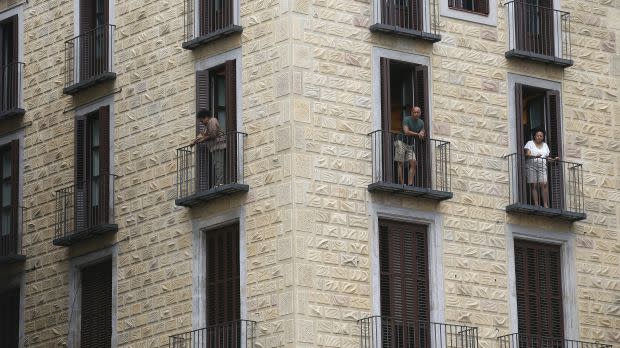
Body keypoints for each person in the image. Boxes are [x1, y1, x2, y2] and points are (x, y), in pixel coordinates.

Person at [190, 109, 226, 186]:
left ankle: (220, 182)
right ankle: (219, 182)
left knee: (219, 165)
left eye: (201, 120)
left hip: (219, 146)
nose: (201, 122)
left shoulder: (212, 121)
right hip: (214, 147)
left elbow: (213, 134)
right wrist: (194, 141)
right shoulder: (206, 127)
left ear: (206, 117)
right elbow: (201, 135)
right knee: (217, 165)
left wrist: (203, 139)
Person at [523, 129, 558, 208]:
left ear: (543, 137)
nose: (539, 137)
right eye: (537, 135)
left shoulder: (545, 145)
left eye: (541, 136)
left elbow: (547, 158)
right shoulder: (530, 143)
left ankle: (545, 205)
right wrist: (535, 156)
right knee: (534, 185)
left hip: (542, 165)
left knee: (544, 184)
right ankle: (536, 204)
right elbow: (527, 154)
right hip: (531, 165)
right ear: (534, 136)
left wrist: (554, 160)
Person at [394, 105, 425, 185]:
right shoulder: (407, 119)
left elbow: (422, 133)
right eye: (414, 112)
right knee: (400, 162)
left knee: (413, 163)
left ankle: (410, 184)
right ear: (411, 113)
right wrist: (418, 134)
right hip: (400, 141)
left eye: (417, 112)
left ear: (420, 113)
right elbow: (406, 131)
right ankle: (401, 184)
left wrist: (422, 134)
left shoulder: (421, 122)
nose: (416, 114)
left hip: (410, 144)